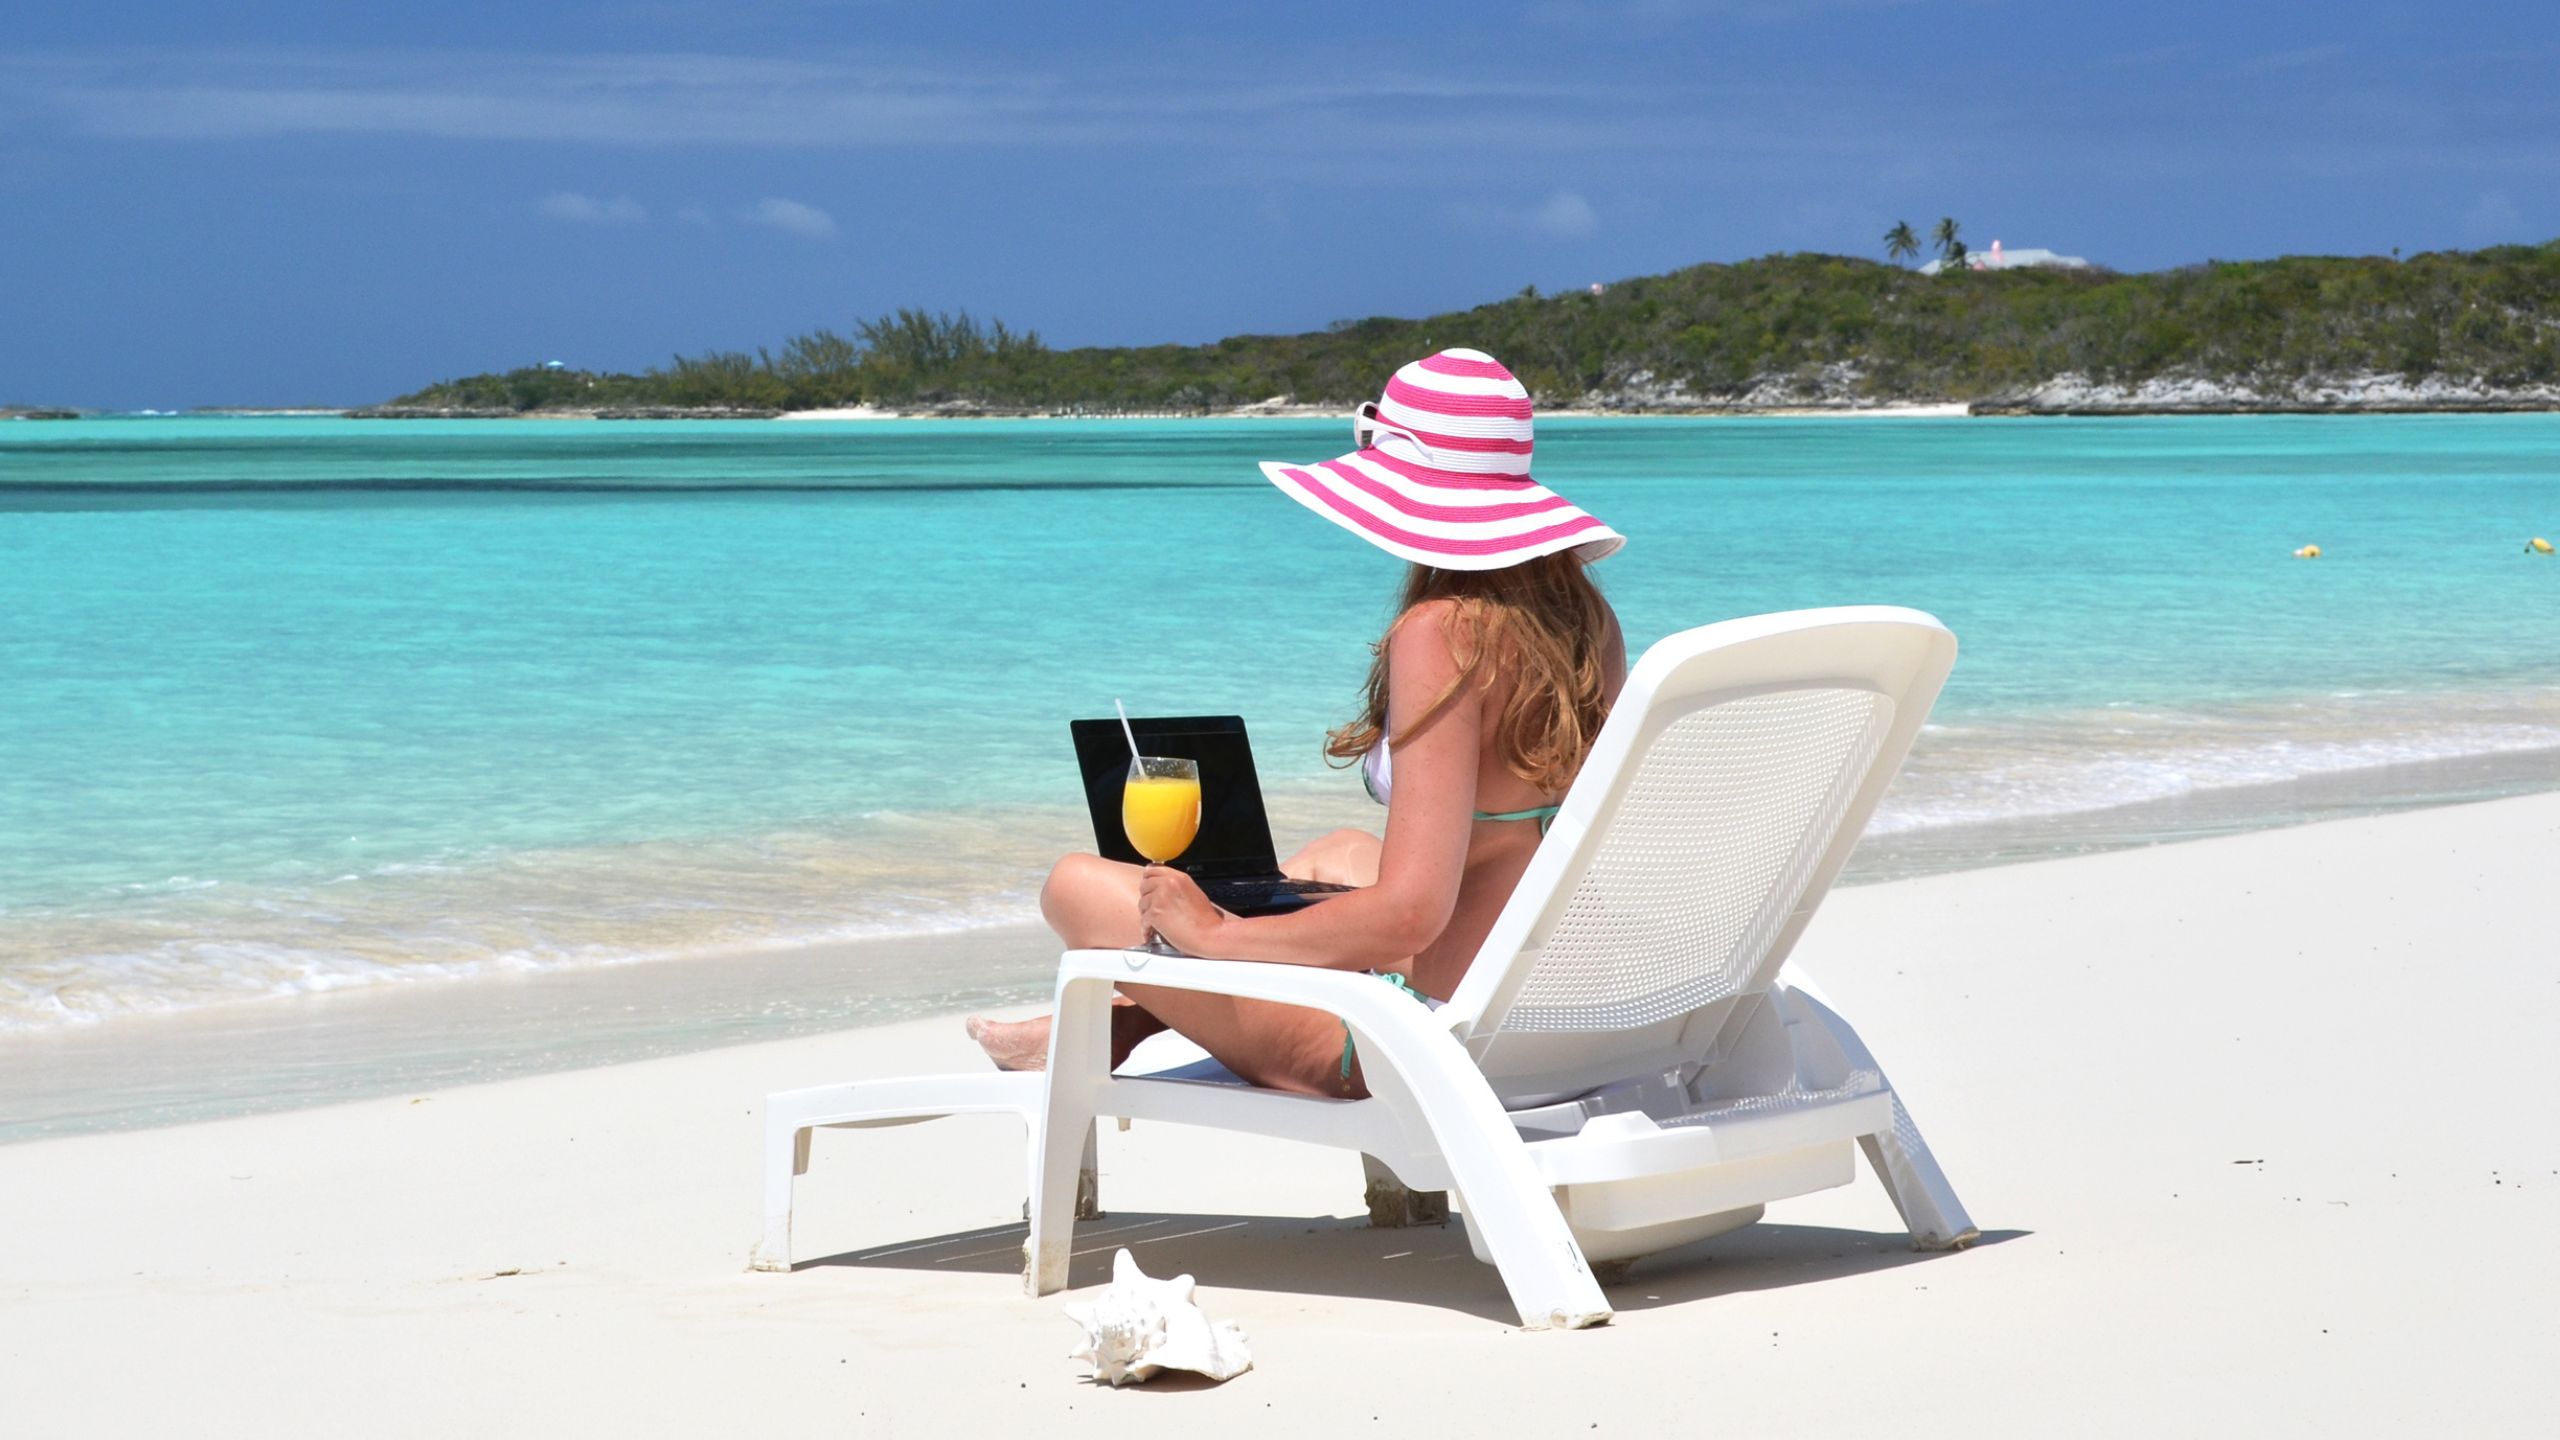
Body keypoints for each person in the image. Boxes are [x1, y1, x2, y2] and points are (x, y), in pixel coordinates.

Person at [966, 348, 1627, 1097]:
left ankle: (1123, 1015)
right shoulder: (1584, 620)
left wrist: (1219, 938)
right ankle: (1130, 1018)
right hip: (1555, 1002)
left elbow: (1411, 913)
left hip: (1422, 1044)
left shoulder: (1443, 632)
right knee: (1331, 855)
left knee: (1078, 886)